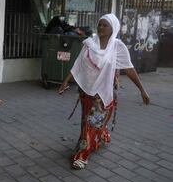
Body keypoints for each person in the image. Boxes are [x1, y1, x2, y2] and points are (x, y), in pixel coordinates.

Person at [59, 13, 150, 169]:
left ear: (112, 28)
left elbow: (129, 69)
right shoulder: (89, 44)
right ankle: (100, 137)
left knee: (91, 122)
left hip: (103, 92)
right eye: (99, 24)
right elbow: (78, 64)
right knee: (86, 120)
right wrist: (66, 81)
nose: (101, 27)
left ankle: (82, 155)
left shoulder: (117, 46)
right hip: (86, 90)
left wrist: (142, 90)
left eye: (105, 25)